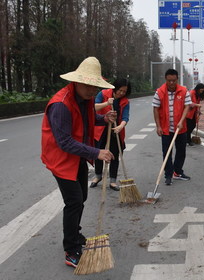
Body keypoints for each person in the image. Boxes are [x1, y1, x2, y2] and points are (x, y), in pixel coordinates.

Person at [41, 57, 117, 268]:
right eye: (89, 86)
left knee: (81, 196)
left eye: (96, 87)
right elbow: (64, 142)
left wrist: (105, 118)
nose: (93, 91)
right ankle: (71, 248)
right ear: (77, 82)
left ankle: (75, 233)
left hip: (77, 156)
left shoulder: (86, 99)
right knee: (74, 201)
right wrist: (97, 152)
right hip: (61, 158)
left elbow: (87, 120)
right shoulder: (61, 105)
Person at [90, 78, 131, 191]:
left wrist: (120, 126)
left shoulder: (125, 101)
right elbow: (93, 107)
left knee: (114, 154)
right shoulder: (103, 94)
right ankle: (98, 176)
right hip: (101, 128)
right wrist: (107, 103)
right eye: (120, 90)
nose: (122, 93)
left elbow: (125, 117)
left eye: (124, 91)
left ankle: (112, 180)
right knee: (98, 152)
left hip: (116, 130)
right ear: (115, 88)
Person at [152, 69, 192, 185]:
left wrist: (181, 121)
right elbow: (155, 109)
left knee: (181, 151)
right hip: (165, 129)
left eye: (174, 81)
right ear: (166, 79)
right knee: (167, 153)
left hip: (181, 128)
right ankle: (168, 175)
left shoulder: (184, 91)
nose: (171, 83)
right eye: (169, 81)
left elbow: (187, 106)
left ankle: (177, 172)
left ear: (177, 79)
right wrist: (158, 126)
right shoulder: (159, 92)